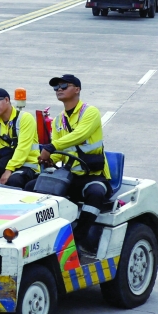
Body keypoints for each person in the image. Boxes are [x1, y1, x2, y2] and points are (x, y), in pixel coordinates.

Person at [38, 74, 111, 254]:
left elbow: (80, 135)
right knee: (34, 186)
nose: (59, 90)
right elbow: (57, 154)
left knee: (95, 193)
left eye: (63, 85)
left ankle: (79, 238)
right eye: (56, 88)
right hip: (70, 176)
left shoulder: (90, 112)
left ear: (77, 89)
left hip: (94, 175)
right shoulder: (58, 121)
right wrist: (46, 159)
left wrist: (51, 146)